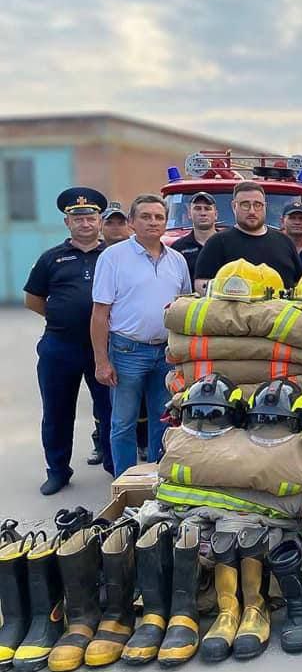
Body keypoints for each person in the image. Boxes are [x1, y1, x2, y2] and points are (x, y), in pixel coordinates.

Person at [91, 194, 192, 475]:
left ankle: (155, 481)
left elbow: (183, 309)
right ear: (132, 222)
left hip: (166, 353)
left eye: (159, 217)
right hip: (127, 352)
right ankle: (124, 485)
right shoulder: (113, 257)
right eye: (145, 217)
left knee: (164, 419)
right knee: (123, 422)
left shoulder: (177, 261)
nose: (153, 222)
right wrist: (101, 361)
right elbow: (100, 313)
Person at [23, 187, 114, 494]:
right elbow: (32, 299)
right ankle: (58, 470)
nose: (85, 223)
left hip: (103, 348)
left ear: (99, 220)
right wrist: (62, 317)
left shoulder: (113, 256)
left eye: (90, 217)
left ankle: (115, 465)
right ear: (67, 223)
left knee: (110, 409)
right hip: (60, 347)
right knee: (58, 411)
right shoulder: (52, 259)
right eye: (78, 219)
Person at [194, 181, 302, 294]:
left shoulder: (285, 242)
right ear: (234, 206)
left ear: (265, 206)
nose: (252, 211)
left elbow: (299, 283)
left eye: (257, 205)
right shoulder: (217, 242)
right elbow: (201, 284)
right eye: (245, 205)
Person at [171, 191, 217, 283]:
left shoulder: (228, 243)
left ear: (216, 214)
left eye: (207, 208)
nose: (203, 213)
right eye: (197, 208)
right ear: (189, 214)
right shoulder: (178, 248)